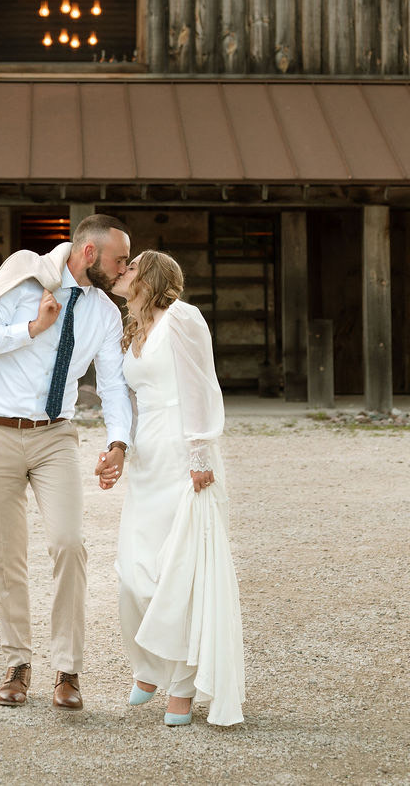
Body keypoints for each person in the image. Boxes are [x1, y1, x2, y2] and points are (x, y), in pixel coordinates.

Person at [0, 214, 132, 712]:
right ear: (90, 254)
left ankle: (68, 671)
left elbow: (111, 383)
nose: (124, 267)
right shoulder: (24, 275)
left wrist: (119, 442)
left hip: (55, 438)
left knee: (70, 545)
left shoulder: (106, 314)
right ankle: (17, 663)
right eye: (119, 259)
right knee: (9, 555)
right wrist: (33, 327)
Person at [101, 249, 245, 727]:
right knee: (134, 572)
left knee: (180, 574)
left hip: (183, 457)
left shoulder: (182, 318)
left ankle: (181, 687)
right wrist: (120, 448)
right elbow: (128, 398)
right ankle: (149, 666)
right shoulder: (131, 330)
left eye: (131, 267)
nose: (121, 272)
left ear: (152, 278)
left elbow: (202, 386)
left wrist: (201, 455)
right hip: (148, 458)